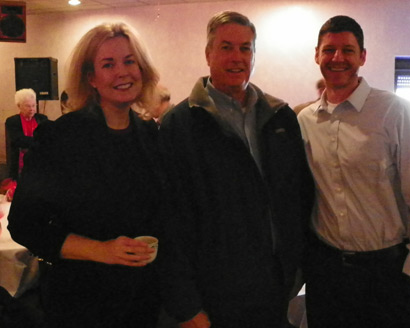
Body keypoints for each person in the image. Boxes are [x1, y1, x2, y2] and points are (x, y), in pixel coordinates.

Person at [158, 11, 314, 328]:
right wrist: (186, 304)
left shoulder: (279, 117)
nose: (237, 57)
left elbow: (299, 197)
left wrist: (296, 267)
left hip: (275, 286)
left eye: (246, 48)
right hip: (214, 293)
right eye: (226, 47)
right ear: (208, 54)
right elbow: (169, 220)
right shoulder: (181, 124)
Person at [8, 22, 164, 328]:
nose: (123, 72)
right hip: (81, 301)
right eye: (108, 64)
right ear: (91, 77)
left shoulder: (151, 136)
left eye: (129, 61)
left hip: (143, 299)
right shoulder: (59, 139)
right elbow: (25, 226)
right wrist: (102, 250)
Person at [297, 15, 410, 328]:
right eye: (329, 50)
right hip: (327, 275)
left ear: (362, 56)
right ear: (316, 55)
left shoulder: (395, 112)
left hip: (386, 274)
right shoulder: (305, 121)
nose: (337, 58)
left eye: (348, 50)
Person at [5, 88, 48, 181]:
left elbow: (48, 138)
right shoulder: (12, 121)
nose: (32, 109)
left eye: (33, 105)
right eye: (28, 106)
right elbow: (18, 140)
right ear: (19, 106)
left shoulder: (42, 119)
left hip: (40, 163)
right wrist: (38, 142)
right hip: (21, 165)